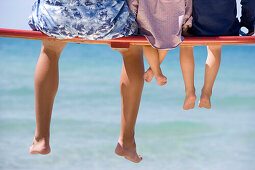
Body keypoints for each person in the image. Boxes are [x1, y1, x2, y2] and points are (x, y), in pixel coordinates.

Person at [28, 0, 144, 163]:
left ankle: (41, 138)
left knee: (50, 49)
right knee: (132, 50)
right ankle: (127, 141)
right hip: (107, 18)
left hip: (58, 17)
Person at [180, 0, 255, 110]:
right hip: (225, 26)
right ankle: (206, 92)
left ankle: (189, 91)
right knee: (215, 47)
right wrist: (247, 23)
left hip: (196, 23)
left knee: (186, 45)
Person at [131, 0, 192, 86]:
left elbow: (132, 2)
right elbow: (188, 3)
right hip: (172, 10)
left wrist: (132, 14)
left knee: (147, 40)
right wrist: (186, 24)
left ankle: (156, 72)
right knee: (168, 38)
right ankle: (155, 71)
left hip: (146, 9)